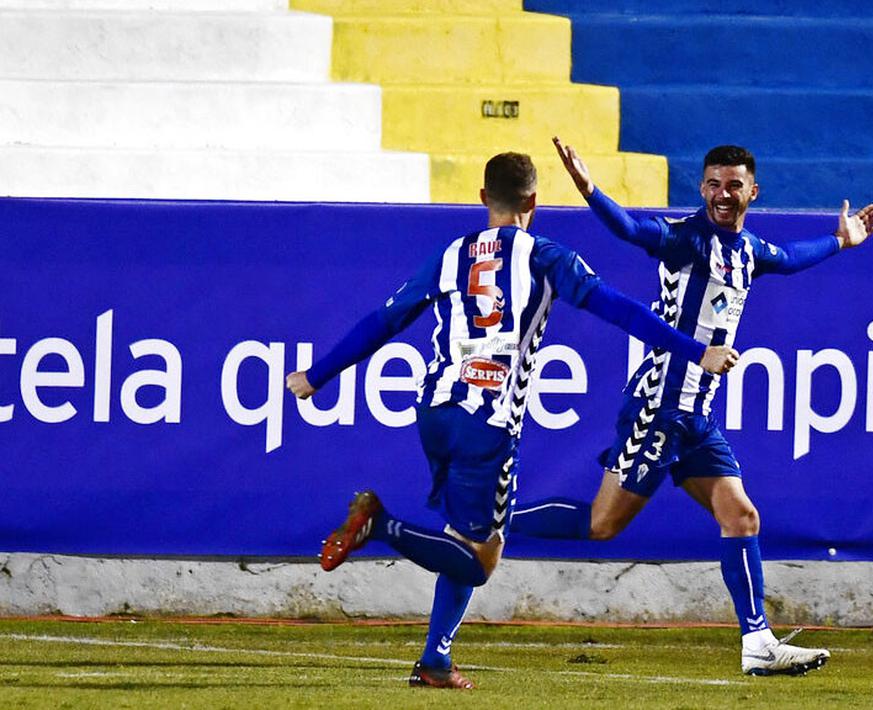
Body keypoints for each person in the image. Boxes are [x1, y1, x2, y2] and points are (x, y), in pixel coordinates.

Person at [285, 152, 738, 690]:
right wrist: (694, 349)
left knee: (463, 534)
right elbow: (622, 310)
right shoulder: (546, 256)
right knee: (480, 559)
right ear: (534, 203)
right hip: (489, 419)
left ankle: (435, 660)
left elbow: (382, 321)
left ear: (483, 199)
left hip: (433, 410)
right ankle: (380, 525)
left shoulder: (449, 254)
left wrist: (318, 373)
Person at [510, 138, 873, 676]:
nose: (722, 194)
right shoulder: (686, 240)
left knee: (741, 515)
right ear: (702, 189)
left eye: (734, 185)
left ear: (753, 191)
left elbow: (791, 257)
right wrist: (591, 190)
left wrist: (840, 240)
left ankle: (757, 643)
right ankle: (493, 522)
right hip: (658, 407)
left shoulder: (748, 251)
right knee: (602, 525)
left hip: (696, 418)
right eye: (713, 184)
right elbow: (633, 230)